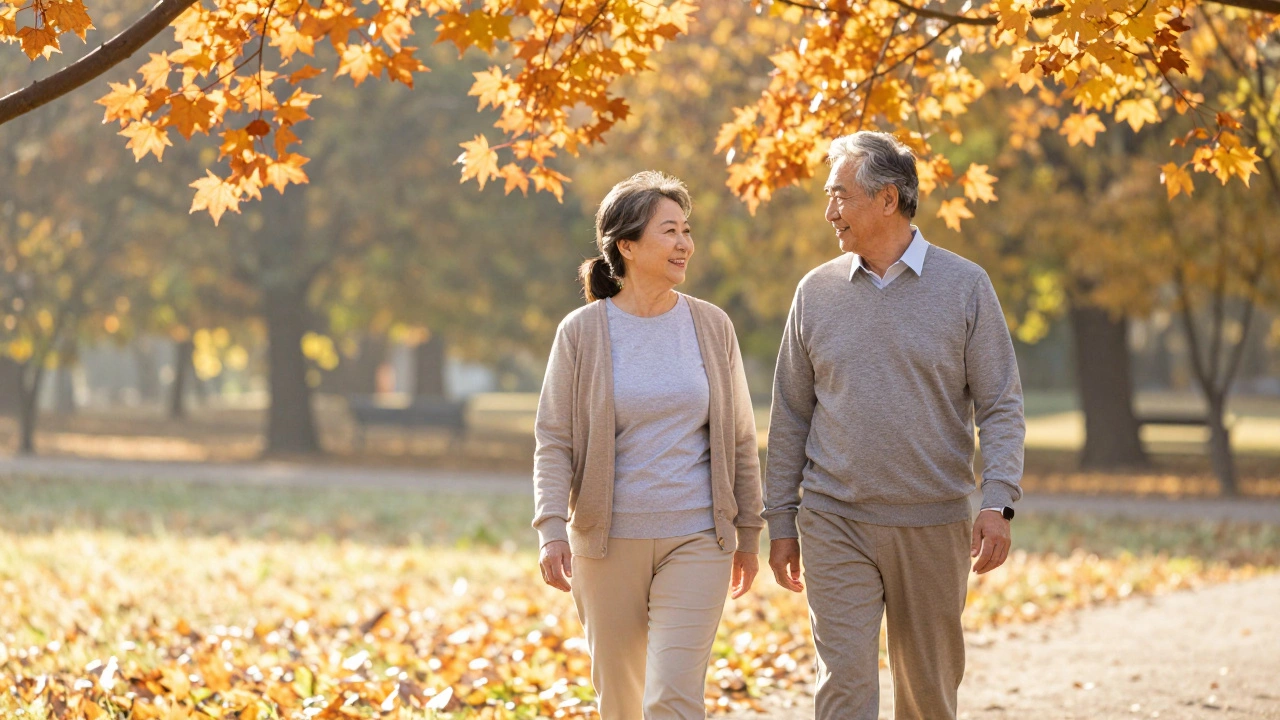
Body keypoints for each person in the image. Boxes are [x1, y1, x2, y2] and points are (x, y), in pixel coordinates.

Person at [764, 131, 1025, 720]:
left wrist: (999, 501)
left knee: (928, 694)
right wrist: (780, 519)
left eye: (840, 195)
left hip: (933, 521)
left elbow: (1001, 405)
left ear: (887, 199)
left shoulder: (966, 286)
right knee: (844, 686)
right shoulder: (815, 292)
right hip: (834, 518)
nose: (830, 211)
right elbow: (791, 414)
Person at [532, 170, 766, 720]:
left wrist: (749, 532)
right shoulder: (581, 332)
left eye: (687, 230)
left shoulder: (712, 325)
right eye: (670, 231)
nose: (685, 243)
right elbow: (554, 440)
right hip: (606, 543)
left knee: (672, 698)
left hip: (699, 537)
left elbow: (739, 436)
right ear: (628, 246)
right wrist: (550, 529)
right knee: (621, 701)